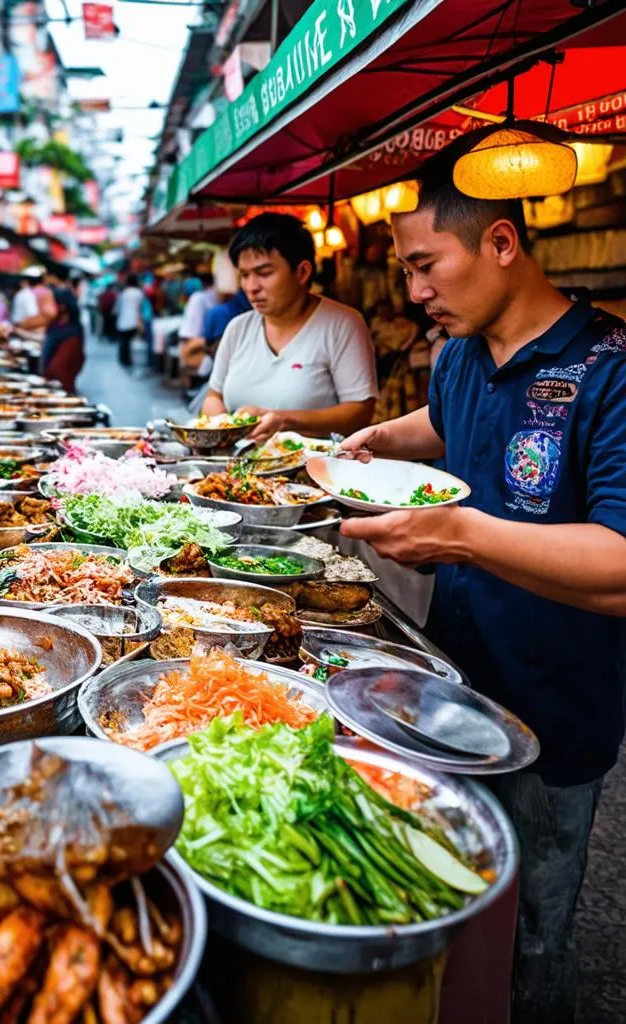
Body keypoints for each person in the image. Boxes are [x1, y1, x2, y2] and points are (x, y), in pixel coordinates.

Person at [338, 167, 626, 1024]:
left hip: (555, 704)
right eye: (407, 275)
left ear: (502, 243)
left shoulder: (609, 370)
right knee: (447, 910)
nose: (418, 291)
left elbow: (618, 562)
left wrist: (457, 536)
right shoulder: (459, 353)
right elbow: (444, 423)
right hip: (449, 682)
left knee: (533, 934)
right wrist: (377, 441)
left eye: (430, 266)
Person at [201, 213, 376, 442]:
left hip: (314, 470)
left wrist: (285, 420)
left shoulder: (342, 324)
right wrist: (225, 429)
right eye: (244, 275)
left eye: (264, 273)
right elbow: (213, 397)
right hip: (241, 468)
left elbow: (360, 412)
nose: (251, 287)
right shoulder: (238, 328)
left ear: (302, 272)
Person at [40, 287, 85, 394]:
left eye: (50, 303)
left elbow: (58, 369)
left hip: (59, 389)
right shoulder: (57, 324)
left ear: (62, 306)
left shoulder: (70, 332)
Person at [114, 273, 145, 368]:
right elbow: (141, 307)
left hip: (123, 321)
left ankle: (123, 359)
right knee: (130, 342)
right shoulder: (139, 293)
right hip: (134, 321)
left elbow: (118, 307)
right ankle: (129, 360)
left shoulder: (124, 292)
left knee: (123, 341)